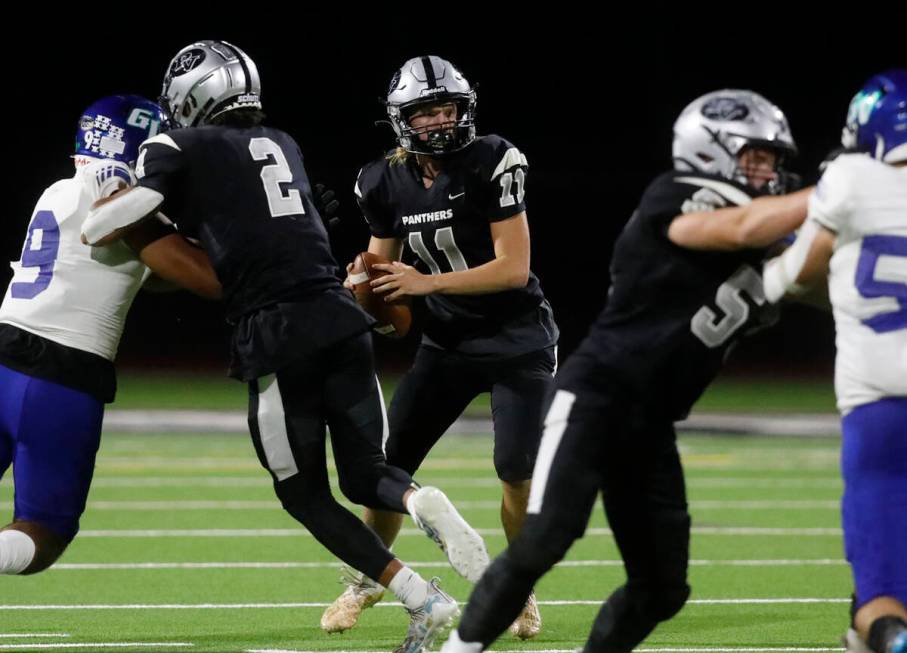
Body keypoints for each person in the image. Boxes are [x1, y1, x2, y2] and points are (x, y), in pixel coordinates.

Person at [79, 41, 489, 653]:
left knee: (301, 492)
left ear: (195, 96)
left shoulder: (176, 145)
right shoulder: (283, 142)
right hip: (337, 315)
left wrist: (111, 206)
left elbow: (110, 223)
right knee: (368, 473)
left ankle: (424, 600)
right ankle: (420, 500)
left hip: (275, 329)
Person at [440, 88, 813, 653]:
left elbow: (827, 277)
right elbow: (732, 231)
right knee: (544, 540)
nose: (767, 169)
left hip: (651, 423)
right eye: (754, 155)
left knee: (663, 587)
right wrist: (835, 192)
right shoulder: (680, 194)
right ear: (710, 151)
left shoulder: (767, 231)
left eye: (771, 159)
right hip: (598, 396)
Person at [321, 54, 558, 640]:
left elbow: (512, 268)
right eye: (425, 112)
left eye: (446, 107)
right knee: (386, 463)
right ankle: (368, 578)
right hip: (447, 344)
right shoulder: (382, 180)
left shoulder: (491, 159)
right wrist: (364, 288)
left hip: (517, 340)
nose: (438, 120)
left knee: (516, 470)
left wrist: (425, 284)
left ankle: (517, 584)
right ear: (403, 119)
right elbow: (386, 280)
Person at [0, 94, 221, 576]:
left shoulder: (57, 190)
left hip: (5, 350)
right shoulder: (124, 202)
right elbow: (206, 278)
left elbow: (153, 271)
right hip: (60, 369)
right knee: (44, 531)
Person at [763, 69, 907, 653]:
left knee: (878, 593)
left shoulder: (850, 176)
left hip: (876, 395)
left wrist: (765, 274)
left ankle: (887, 634)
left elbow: (796, 274)